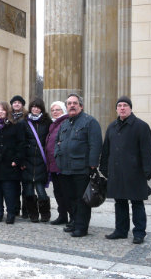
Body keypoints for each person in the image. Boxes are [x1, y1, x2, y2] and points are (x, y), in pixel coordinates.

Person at [100, 96, 151, 244]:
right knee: (120, 202)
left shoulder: (141, 126)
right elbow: (106, 150)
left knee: (137, 203)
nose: (122, 108)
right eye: (119, 105)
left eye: (125, 105)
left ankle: (139, 233)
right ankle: (121, 230)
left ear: (130, 108)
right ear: (116, 109)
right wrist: (104, 167)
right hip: (116, 172)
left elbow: (147, 151)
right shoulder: (112, 126)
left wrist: (149, 169)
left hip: (135, 173)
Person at [55, 93, 102, 237]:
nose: (72, 106)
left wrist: (93, 165)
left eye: (75, 103)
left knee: (82, 200)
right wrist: (58, 157)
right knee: (70, 199)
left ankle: (82, 227)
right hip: (65, 169)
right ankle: (74, 222)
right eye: (69, 103)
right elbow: (57, 143)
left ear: (81, 106)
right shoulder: (64, 124)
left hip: (81, 168)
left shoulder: (90, 122)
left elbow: (96, 144)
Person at [21, 98, 52, 223]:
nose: (35, 109)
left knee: (41, 191)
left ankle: (45, 213)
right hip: (27, 161)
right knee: (28, 192)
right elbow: (21, 142)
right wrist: (21, 161)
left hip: (41, 161)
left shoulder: (47, 122)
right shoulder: (24, 122)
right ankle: (32, 213)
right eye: (33, 106)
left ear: (41, 109)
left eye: (38, 107)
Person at [45, 101, 71, 225]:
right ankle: (62, 215)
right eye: (53, 110)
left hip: (61, 164)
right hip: (53, 165)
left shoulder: (65, 122)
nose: (55, 112)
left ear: (63, 111)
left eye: (58, 110)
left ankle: (71, 217)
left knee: (66, 192)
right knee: (58, 192)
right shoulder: (53, 124)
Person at [10, 94, 28, 219]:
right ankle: (15, 208)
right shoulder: (8, 118)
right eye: (14, 102)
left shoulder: (27, 118)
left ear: (22, 105)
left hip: (25, 154)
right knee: (14, 186)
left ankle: (26, 210)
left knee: (26, 186)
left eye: (19, 102)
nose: (16, 104)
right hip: (13, 156)